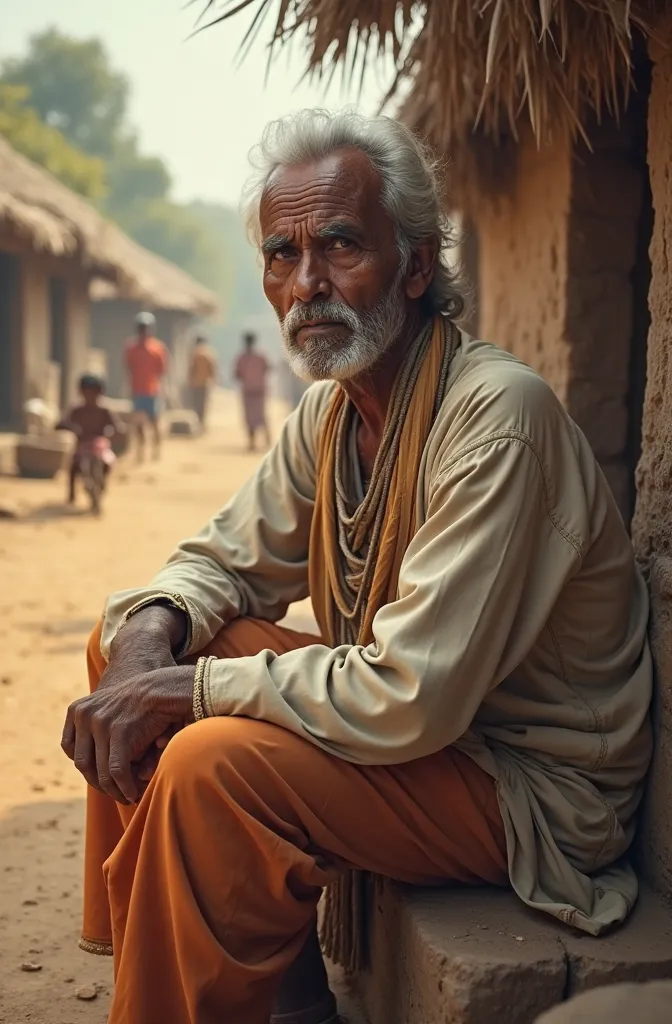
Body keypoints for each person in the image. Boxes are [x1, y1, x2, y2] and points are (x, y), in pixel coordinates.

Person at [62, 110, 653, 1024]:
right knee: (128, 641)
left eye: (340, 245)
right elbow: (221, 560)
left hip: (528, 784)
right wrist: (151, 639)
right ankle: (274, 990)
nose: (308, 285)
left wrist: (196, 692)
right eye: (281, 256)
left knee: (208, 762)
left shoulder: (497, 417)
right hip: (427, 740)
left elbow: (414, 692)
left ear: (417, 265)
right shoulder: (333, 413)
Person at [56, 374, 117, 507]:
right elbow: (62, 423)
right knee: (73, 467)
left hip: (100, 446)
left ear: (99, 393)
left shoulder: (104, 411)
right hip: (82, 446)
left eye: (93, 393)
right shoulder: (77, 411)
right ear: (81, 393)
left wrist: (110, 433)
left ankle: (102, 483)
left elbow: (115, 426)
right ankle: (71, 494)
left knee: (108, 463)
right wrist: (69, 427)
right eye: (86, 392)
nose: (90, 396)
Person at [124, 312, 168, 461]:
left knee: (154, 422)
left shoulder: (157, 348)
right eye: (141, 328)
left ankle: (156, 449)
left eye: (146, 328)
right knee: (138, 424)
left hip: (152, 391)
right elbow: (128, 366)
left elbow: (162, 370)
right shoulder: (131, 348)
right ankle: (140, 451)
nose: (143, 331)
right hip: (137, 391)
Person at [234, 330, 271, 450]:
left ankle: (252, 442)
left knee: (250, 416)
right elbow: (267, 369)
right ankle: (267, 439)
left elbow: (237, 374)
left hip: (248, 390)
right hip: (259, 389)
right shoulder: (261, 355)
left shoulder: (241, 357)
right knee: (261, 414)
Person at [187, 335, 217, 429]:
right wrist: (213, 379)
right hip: (205, 383)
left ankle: (200, 421)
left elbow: (191, 369)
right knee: (203, 404)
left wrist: (190, 380)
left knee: (197, 403)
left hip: (196, 383)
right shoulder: (208, 354)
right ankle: (202, 422)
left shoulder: (194, 354)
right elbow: (212, 368)